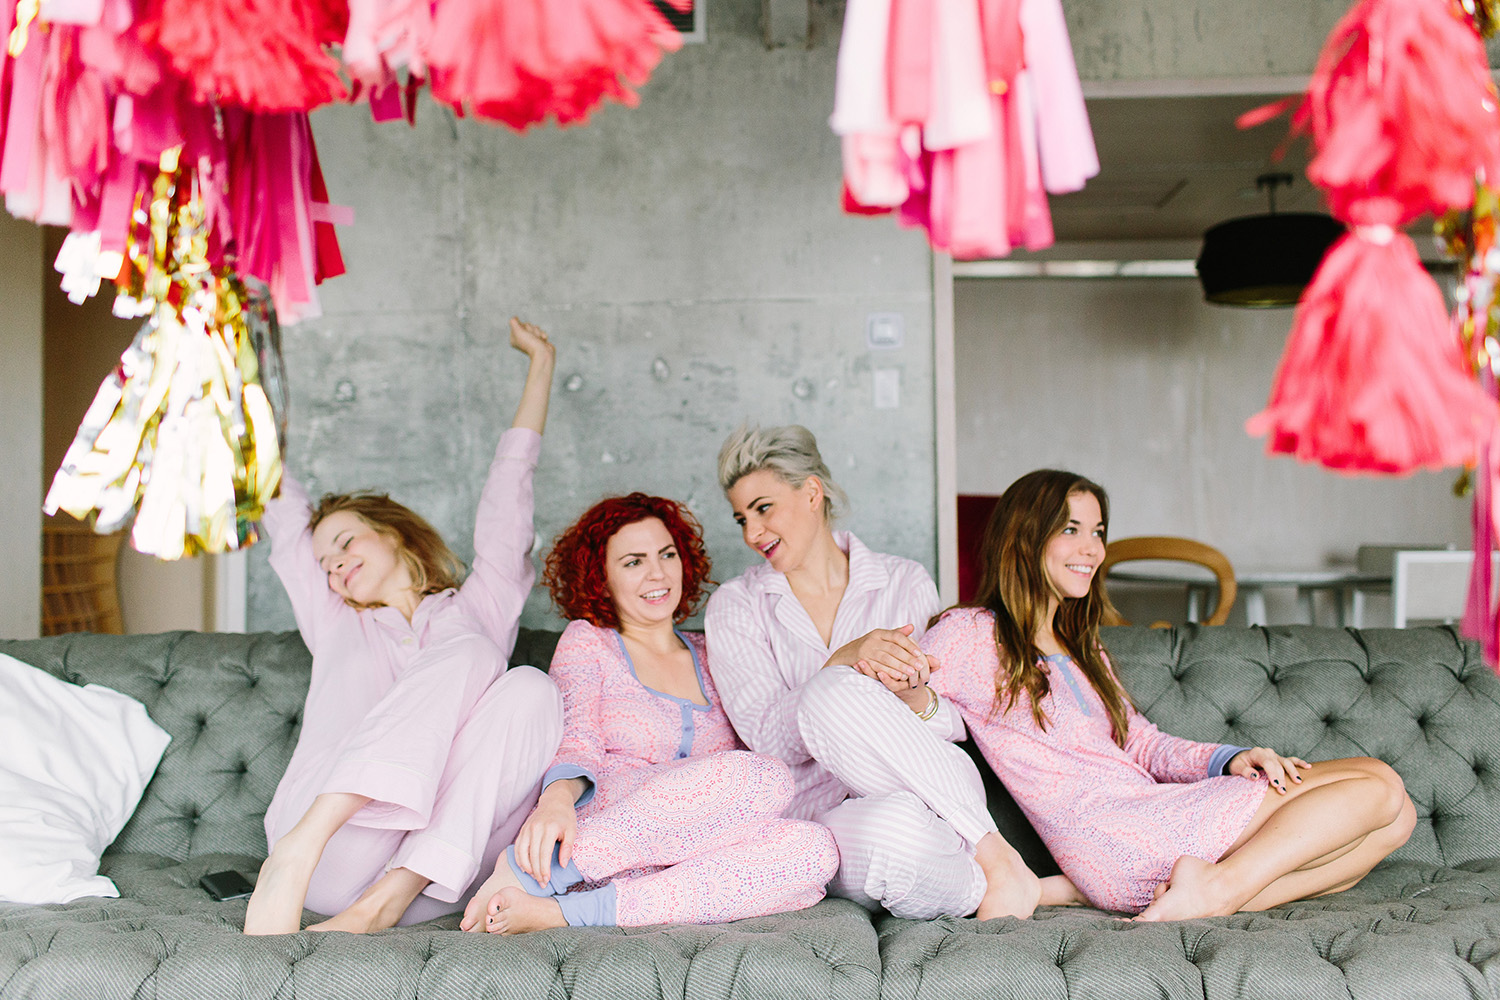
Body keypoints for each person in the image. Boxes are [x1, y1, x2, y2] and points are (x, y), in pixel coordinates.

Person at [921, 469, 1417, 919]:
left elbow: (1142, 744)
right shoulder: (970, 633)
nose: (1092, 549)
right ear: (1023, 538)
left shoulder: (1082, 645)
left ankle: (1206, 897)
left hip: (1147, 812)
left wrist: (1232, 757)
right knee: (1380, 790)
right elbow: (884, 714)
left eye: (1097, 533)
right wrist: (855, 655)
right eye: (1070, 530)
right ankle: (1217, 890)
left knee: (1398, 818)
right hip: (1111, 836)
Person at [243, 318, 564, 935]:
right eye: (325, 564)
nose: (333, 566)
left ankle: (385, 902)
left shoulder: (477, 609)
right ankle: (299, 845)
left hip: (435, 873)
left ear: (391, 531)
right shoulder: (336, 621)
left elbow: (508, 500)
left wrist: (541, 364)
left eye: (343, 542)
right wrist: (238, 370)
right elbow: (278, 498)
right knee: (473, 654)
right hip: (328, 853)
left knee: (531, 688)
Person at [704, 424, 1075, 920]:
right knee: (843, 722)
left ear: (811, 492)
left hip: (931, 798)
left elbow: (949, 725)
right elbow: (770, 740)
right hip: (825, 822)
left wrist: (914, 698)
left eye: (763, 508)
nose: (752, 533)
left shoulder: (905, 581)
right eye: (741, 519)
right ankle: (1003, 881)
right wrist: (844, 659)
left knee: (840, 699)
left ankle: (995, 855)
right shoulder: (736, 607)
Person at [463, 492, 839, 934]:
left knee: (815, 850)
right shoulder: (589, 641)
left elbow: (759, 740)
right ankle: (533, 875)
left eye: (666, 554)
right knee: (764, 776)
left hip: (691, 857)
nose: (658, 573)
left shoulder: (715, 650)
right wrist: (556, 800)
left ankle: (562, 916)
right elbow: (577, 735)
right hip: (593, 846)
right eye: (633, 562)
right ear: (601, 577)